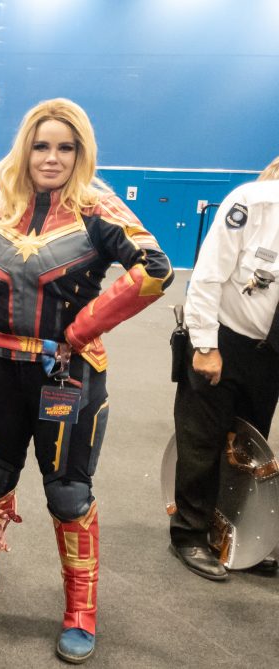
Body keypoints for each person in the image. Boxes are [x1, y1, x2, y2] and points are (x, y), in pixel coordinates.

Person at [0, 98, 173, 663]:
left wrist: (81, 329)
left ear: (80, 153)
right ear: (25, 150)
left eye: (65, 147)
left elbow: (155, 270)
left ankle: (80, 609)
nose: (51, 157)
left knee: (68, 494)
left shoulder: (98, 208)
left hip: (69, 373)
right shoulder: (0, 207)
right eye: (41, 146)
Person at [170, 155, 279, 580]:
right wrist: (204, 345)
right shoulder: (253, 203)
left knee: (246, 449)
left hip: (270, 352)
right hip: (224, 339)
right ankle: (189, 534)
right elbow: (208, 276)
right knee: (202, 442)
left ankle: (230, 534)